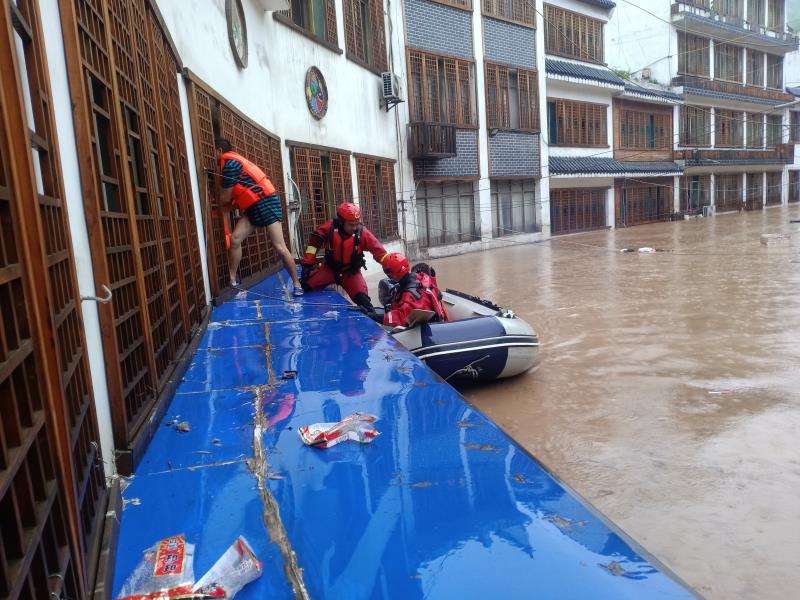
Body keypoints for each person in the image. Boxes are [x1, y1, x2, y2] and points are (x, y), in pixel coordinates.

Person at [215, 137, 302, 294]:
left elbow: (225, 199)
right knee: (235, 239)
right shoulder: (235, 162)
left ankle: (297, 284)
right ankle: (232, 280)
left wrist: (217, 202)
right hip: (252, 208)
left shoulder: (229, 165)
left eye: (214, 152)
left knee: (280, 246)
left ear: (219, 151)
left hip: (267, 203)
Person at [299, 202, 388, 310]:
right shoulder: (329, 228)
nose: (355, 227)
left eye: (357, 223)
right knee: (306, 286)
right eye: (351, 224)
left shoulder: (362, 233)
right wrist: (307, 265)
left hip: (351, 274)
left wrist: (389, 266)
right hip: (329, 270)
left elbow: (379, 251)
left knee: (364, 302)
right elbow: (312, 246)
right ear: (341, 222)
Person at [378, 253, 448, 327]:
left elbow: (401, 318)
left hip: (430, 328)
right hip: (437, 318)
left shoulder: (409, 296)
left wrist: (375, 317)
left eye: (388, 273)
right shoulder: (421, 277)